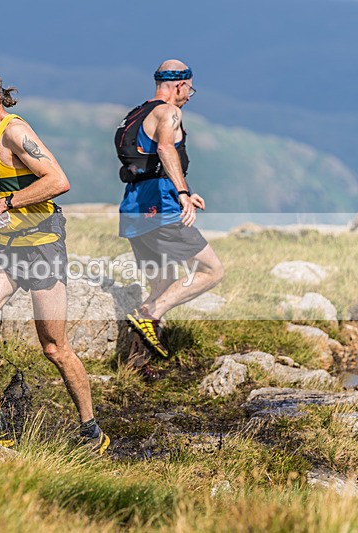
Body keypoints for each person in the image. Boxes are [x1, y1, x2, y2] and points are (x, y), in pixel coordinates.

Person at [0, 66, 109, 451]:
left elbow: (58, 181)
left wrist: (3, 203)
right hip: (3, 248)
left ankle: (91, 430)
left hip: (42, 247)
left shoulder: (15, 131)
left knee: (54, 347)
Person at [115, 59, 224, 360]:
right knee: (211, 270)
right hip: (158, 208)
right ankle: (151, 313)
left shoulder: (136, 114)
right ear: (180, 85)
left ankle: (137, 363)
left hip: (134, 209)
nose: (189, 96)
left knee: (162, 283)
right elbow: (165, 149)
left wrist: (182, 191)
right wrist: (183, 193)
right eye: (190, 89)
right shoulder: (169, 112)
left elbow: (146, 164)